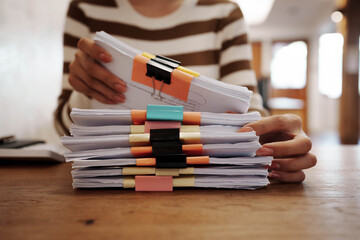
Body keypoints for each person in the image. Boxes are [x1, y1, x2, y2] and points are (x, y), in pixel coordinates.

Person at [55, 0, 316, 183]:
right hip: (107, 180)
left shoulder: (224, 13)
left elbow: (248, 113)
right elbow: (64, 127)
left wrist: (272, 134)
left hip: (205, 183)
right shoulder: (85, 8)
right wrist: (86, 89)